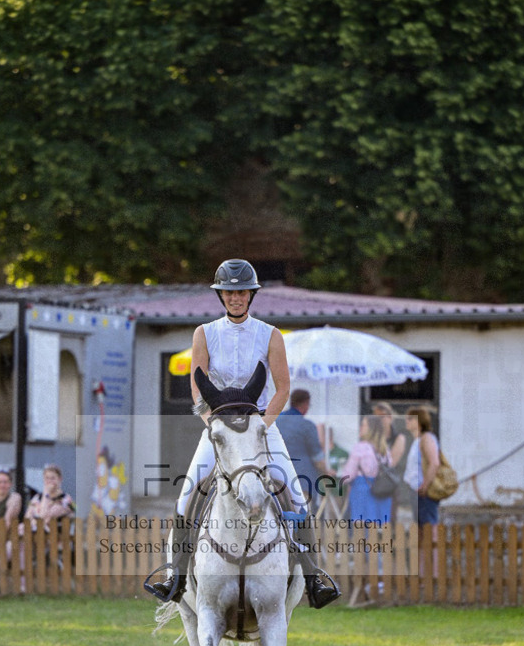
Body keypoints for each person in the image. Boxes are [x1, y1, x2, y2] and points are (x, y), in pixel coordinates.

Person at [148, 258, 339, 608]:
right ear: (221, 296)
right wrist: (214, 425)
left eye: (241, 293)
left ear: (251, 295)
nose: (236, 298)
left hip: (262, 429)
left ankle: (314, 579)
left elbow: (282, 388)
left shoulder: (270, 334)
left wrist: (258, 427)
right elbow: (197, 388)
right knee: (184, 497)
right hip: (220, 432)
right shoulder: (204, 333)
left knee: (298, 497)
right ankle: (175, 576)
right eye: (229, 293)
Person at [404, 406, 441, 576]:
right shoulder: (417, 440)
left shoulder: (426, 438)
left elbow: (434, 463)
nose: (407, 422)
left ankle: (431, 572)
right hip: (415, 491)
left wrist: (425, 485)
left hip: (423, 492)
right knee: (420, 532)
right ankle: (421, 571)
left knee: (429, 531)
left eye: (410, 419)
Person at [276, 389, 326, 511]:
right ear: (305, 404)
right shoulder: (306, 425)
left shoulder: (276, 421)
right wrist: (326, 472)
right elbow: (317, 457)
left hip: (278, 478)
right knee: (304, 518)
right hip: (303, 480)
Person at [340, 415, 392, 528]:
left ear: (370, 429)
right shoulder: (385, 450)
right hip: (382, 492)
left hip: (362, 491)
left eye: (363, 425)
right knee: (380, 530)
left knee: (362, 530)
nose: (360, 428)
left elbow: (348, 474)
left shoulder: (360, 448)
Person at [372, 401, 407, 521]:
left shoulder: (399, 438)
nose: (379, 421)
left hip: (389, 484)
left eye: (382, 417)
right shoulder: (372, 437)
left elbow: (391, 462)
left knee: (389, 520)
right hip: (372, 484)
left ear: (390, 418)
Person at [24, 464, 75, 529]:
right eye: (47, 478)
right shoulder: (36, 497)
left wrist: (46, 493)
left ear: (60, 479)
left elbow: (43, 516)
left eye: (53, 478)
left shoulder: (66, 499)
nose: (49, 481)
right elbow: (27, 517)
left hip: (56, 536)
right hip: (34, 534)